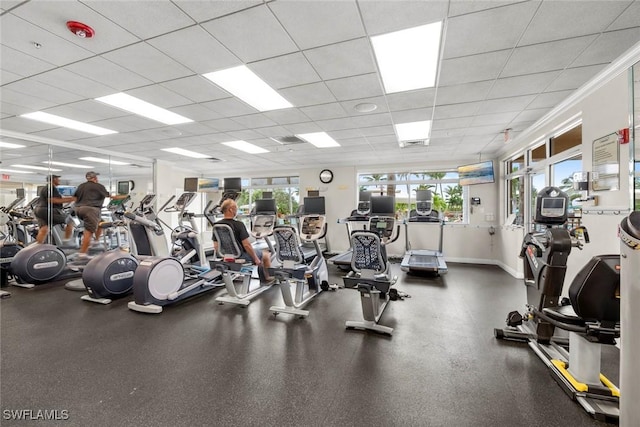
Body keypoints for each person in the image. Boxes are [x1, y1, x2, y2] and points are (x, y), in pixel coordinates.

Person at [213, 199, 273, 282]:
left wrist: (225, 257)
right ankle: (268, 278)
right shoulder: (239, 224)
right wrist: (256, 259)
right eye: (235, 208)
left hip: (225, 256)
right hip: (240, 255)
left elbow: (216, 246)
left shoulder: (217, 225)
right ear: (231, 209)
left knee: (259, 253)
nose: (236, 210)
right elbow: (247, 245)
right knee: (266, 254)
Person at [73, 171, 128, 260]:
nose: (97, 179)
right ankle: (82, 255)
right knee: (88, 232)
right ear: (94, 178)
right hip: (91, 210)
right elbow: (111, 196)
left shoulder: (81, 186)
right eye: (96, 177)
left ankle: (96, 242)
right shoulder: (98, 186)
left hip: (79, 209)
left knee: (101, 223)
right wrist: (125, 196)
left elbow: (75, 198)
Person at [34, 175, 76, 245]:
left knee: (44, 228)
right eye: (57, 179)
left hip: (39, 210)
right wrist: (72, 199)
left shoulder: (45, 188)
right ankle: (66, 242)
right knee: (70, 221)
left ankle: (38, 245)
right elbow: (53, 200)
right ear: (53, 179)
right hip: (47, 210)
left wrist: (68, 199)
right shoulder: (51, 188)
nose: (59, 180)